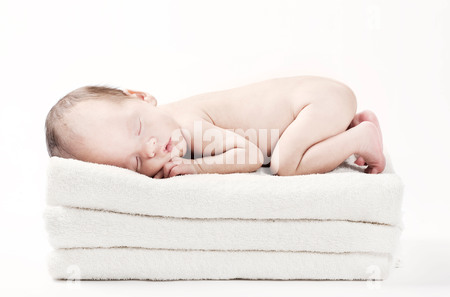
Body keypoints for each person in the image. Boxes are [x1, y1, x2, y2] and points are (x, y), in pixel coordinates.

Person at [45, 76, 385, 179]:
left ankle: (361, 136)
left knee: (285, 164)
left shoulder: (187, 126)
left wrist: (196, 167)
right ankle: (343, 130)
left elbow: (251, 154)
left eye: (137, 128)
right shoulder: (170, 126)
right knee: (291, 149)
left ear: (142, 97)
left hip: (315, 100)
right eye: (135, 162)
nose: (149, 148)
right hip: (321, 105)